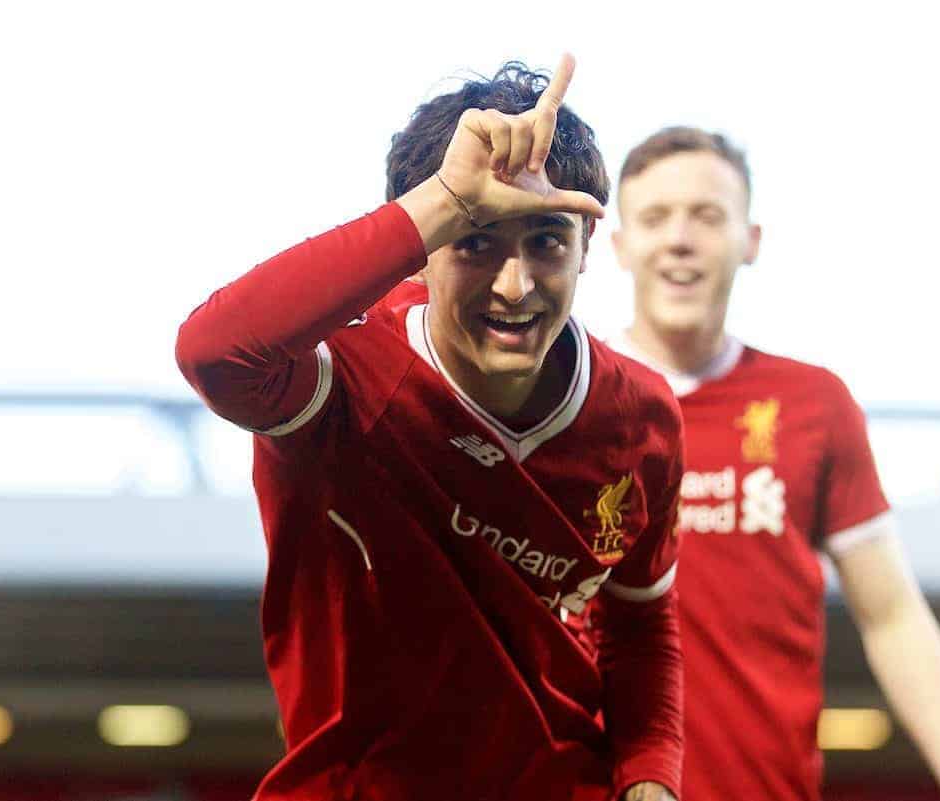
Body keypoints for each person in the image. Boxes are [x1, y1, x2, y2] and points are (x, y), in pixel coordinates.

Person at [176, 57, 684, 801]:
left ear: (585, 250)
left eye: (547, 240)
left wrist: (651, 778)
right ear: (424, 249)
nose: (515, 286)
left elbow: (642, 627)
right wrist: (441, 198)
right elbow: (213, 352)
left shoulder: (641, 420)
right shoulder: (345, 381)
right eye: (475, 240)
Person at [606, 126, 940, 801]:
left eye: (707, 215)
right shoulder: (573, 403)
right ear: (616, 246)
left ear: (750, 239)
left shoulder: (814, 403)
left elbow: (893, 615)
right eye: (655, 218)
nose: (679, 239)